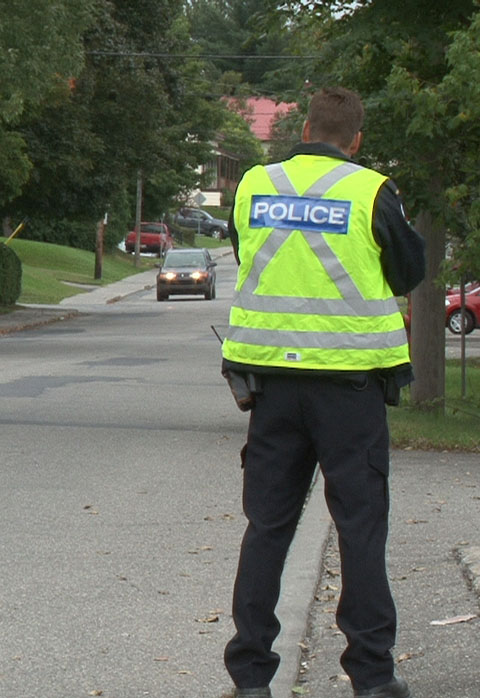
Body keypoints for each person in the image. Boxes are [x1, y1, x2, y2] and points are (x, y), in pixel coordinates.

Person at [220, 87, 425, 698]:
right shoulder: (371, 191)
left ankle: (251, 676)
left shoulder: (256, 184)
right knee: (360, 527)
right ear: (356, 139)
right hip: (350, 388)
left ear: (304, 127)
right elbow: (408, 272)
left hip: (271, 387)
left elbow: (246, 254)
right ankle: (372, 676)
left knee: (268, 527)